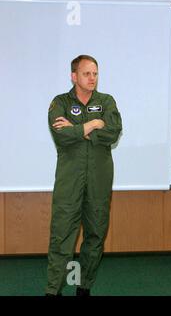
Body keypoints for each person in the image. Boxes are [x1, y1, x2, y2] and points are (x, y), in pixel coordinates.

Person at [45, 55, 122, 296]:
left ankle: (84, 286)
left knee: (95, 235)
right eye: (87, 73)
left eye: (95, 73)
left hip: (99, 180)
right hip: (70, 181)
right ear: (74, 76)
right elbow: (61, 135)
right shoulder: (60, 103)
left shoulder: (107, 102)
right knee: (62, 237)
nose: (92, 78)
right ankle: (53, 290)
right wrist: (92, 125)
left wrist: (77, 129)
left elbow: (113, 133)